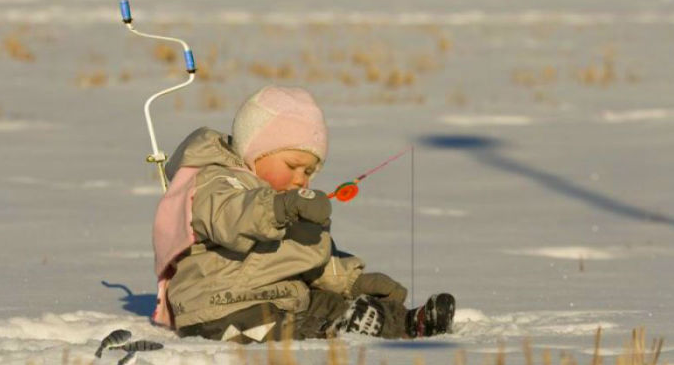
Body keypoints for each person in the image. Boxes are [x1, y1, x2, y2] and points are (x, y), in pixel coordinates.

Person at [151, 85, 455, 343]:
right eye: (292, 166)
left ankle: (406, 323)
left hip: (281, 298)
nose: (301, 178)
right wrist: (279, 206)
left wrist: (354, 282)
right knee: (294, 321)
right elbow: (230, 217)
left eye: (309, 171)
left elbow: (309, 256)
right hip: (218, 308)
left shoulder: (286, 203)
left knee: (333, 303)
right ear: (255, 151)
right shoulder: (218, 181)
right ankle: (336, 330)